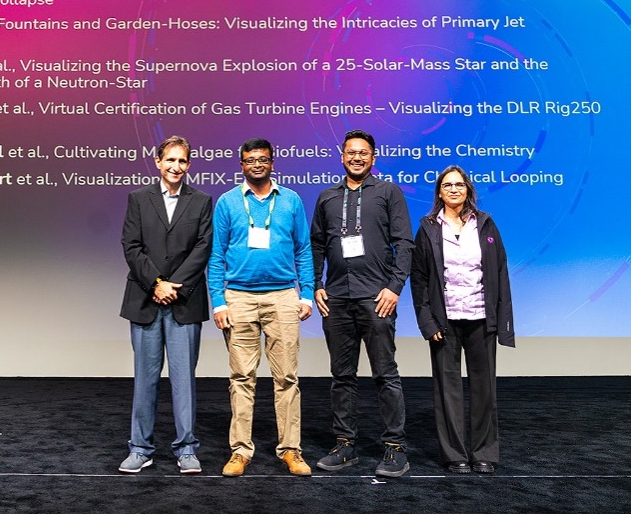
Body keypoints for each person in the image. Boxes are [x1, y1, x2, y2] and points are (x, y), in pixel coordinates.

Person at [207, 137, 315, 477]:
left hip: (282, 296)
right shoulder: (227, 202)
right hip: (238, 298)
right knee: (241, 378)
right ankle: (240, 451)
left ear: (272, 163)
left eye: (263, 159)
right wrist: (218, 301)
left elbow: (303, 249)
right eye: (251, 160)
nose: (257, 164)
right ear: (241, 164)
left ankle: (291, 450)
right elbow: (216, 255)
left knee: (287, 378)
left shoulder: (291, 200)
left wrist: (306, 293)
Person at [310, 129, 414, 477]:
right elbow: (316, 245)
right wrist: (316, 285)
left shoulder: (388, 192)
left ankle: (395, 447)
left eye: (363, 153)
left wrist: (394, 287)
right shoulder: (327, 197)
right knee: (342, 377)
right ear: (342, 156)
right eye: (351, 152)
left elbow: (404, 243)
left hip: (376, 297)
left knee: (385, 374)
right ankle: (344, 445)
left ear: (373, 158)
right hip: (337, 298)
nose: (357, 157)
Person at [410, 165, 515, 474]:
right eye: (447, 185)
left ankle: (484, 453)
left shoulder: (485, 224)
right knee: (448, 391)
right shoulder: (428, 228)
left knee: (485, 390)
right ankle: (454, 454)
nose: (454, 189)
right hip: (444, 322)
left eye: (459, 184)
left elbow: (500, 272)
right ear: (439, 193)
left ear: (468, 189)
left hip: (481, 317)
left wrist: (503, 320)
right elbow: (419, 279)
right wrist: (427, 322)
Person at [118, 135, 214, 474]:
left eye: (182, 161)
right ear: (158, 161)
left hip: (184, 302)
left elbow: (203, 248)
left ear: (189, 165)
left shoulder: (201, 201)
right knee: (145, 380)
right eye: (170, 160)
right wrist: (157, 284)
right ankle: (140, 448)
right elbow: (131, 246)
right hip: (146, 300)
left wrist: (174, 287)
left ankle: (186, 450)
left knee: (184, 380)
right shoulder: (138, 198)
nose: (176, 166)